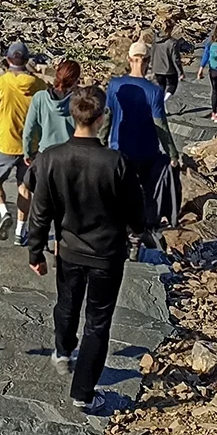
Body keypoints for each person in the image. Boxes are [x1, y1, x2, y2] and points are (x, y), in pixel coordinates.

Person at [27, 85, 146, 416]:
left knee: (66, 303)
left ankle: (63, 351)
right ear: (101, 116)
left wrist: (35, 252)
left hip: (68, 249)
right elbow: (136, 212)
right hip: (107, 254)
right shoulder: (116, 162)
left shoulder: (49, 158)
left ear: (73, 114)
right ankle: (83, 393)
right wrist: (138, 231)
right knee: (98, 322)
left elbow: (40, 211)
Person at [106, 41, 179, 248]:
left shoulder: (114, 85)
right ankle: (138, 238)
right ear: (147, 61)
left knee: (118, 194)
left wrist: (99, 146)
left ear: (129, 60)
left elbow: (106, 119)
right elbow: (161, 126)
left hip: (118, 149)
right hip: (146, 151)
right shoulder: (154, 91)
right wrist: (172, 154)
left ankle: (119, 234)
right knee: (146, 194)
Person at [0, 41, 47, 244]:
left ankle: (3, 212)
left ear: (8, 60)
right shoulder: (39, 86)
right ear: (27, 61)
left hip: (5, 142)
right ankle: (20, 231)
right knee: (24, 186)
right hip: (31, 147)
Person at [23, 59, 82, 160]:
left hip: (45, 153)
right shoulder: (78, 100)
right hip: (70, 155)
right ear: (75, 80)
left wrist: (27, 153)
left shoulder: (39, 98)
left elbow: (29, 130)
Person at [146, 12, 189, 106]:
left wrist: (151, 65)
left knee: (161, 86)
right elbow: (176, 58)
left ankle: (159, 104)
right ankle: (163, 102)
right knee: (173, 85)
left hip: (157, 68)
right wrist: (181, 72)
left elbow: (152, 53)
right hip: (169, 69)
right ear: (171, 29)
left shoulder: (155, 40)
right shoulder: (172, 42)